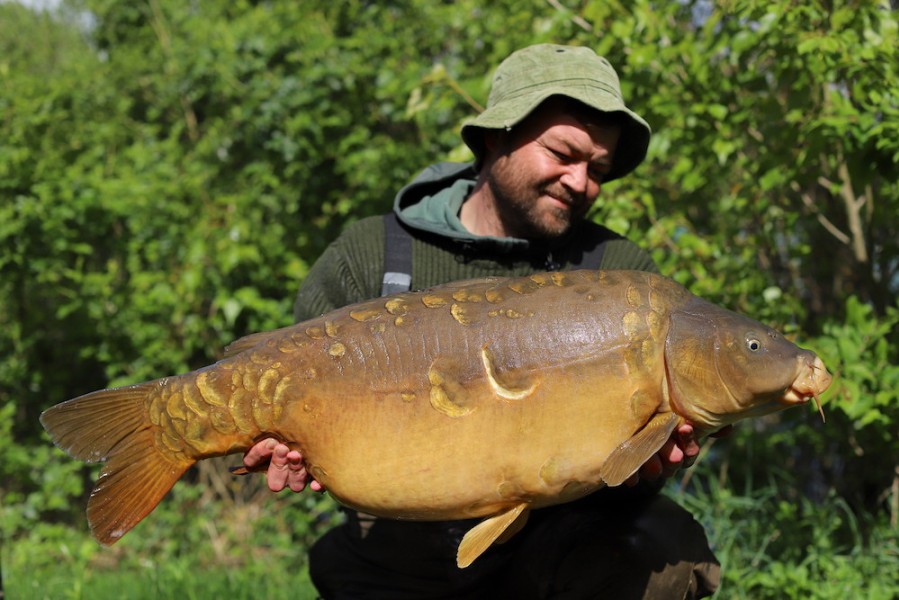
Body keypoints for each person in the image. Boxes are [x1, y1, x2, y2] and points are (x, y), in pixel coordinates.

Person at [244, 44, 722, 599]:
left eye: (598, 169)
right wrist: (283, 444)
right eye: (563, 153)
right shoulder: (371, 254)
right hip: (398, 548)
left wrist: (658, 460)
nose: (579, 180)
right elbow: (293, 403)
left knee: (661, 545)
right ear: (497, 135)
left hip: (557, 544)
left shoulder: (622, 275)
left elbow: (632, 468)